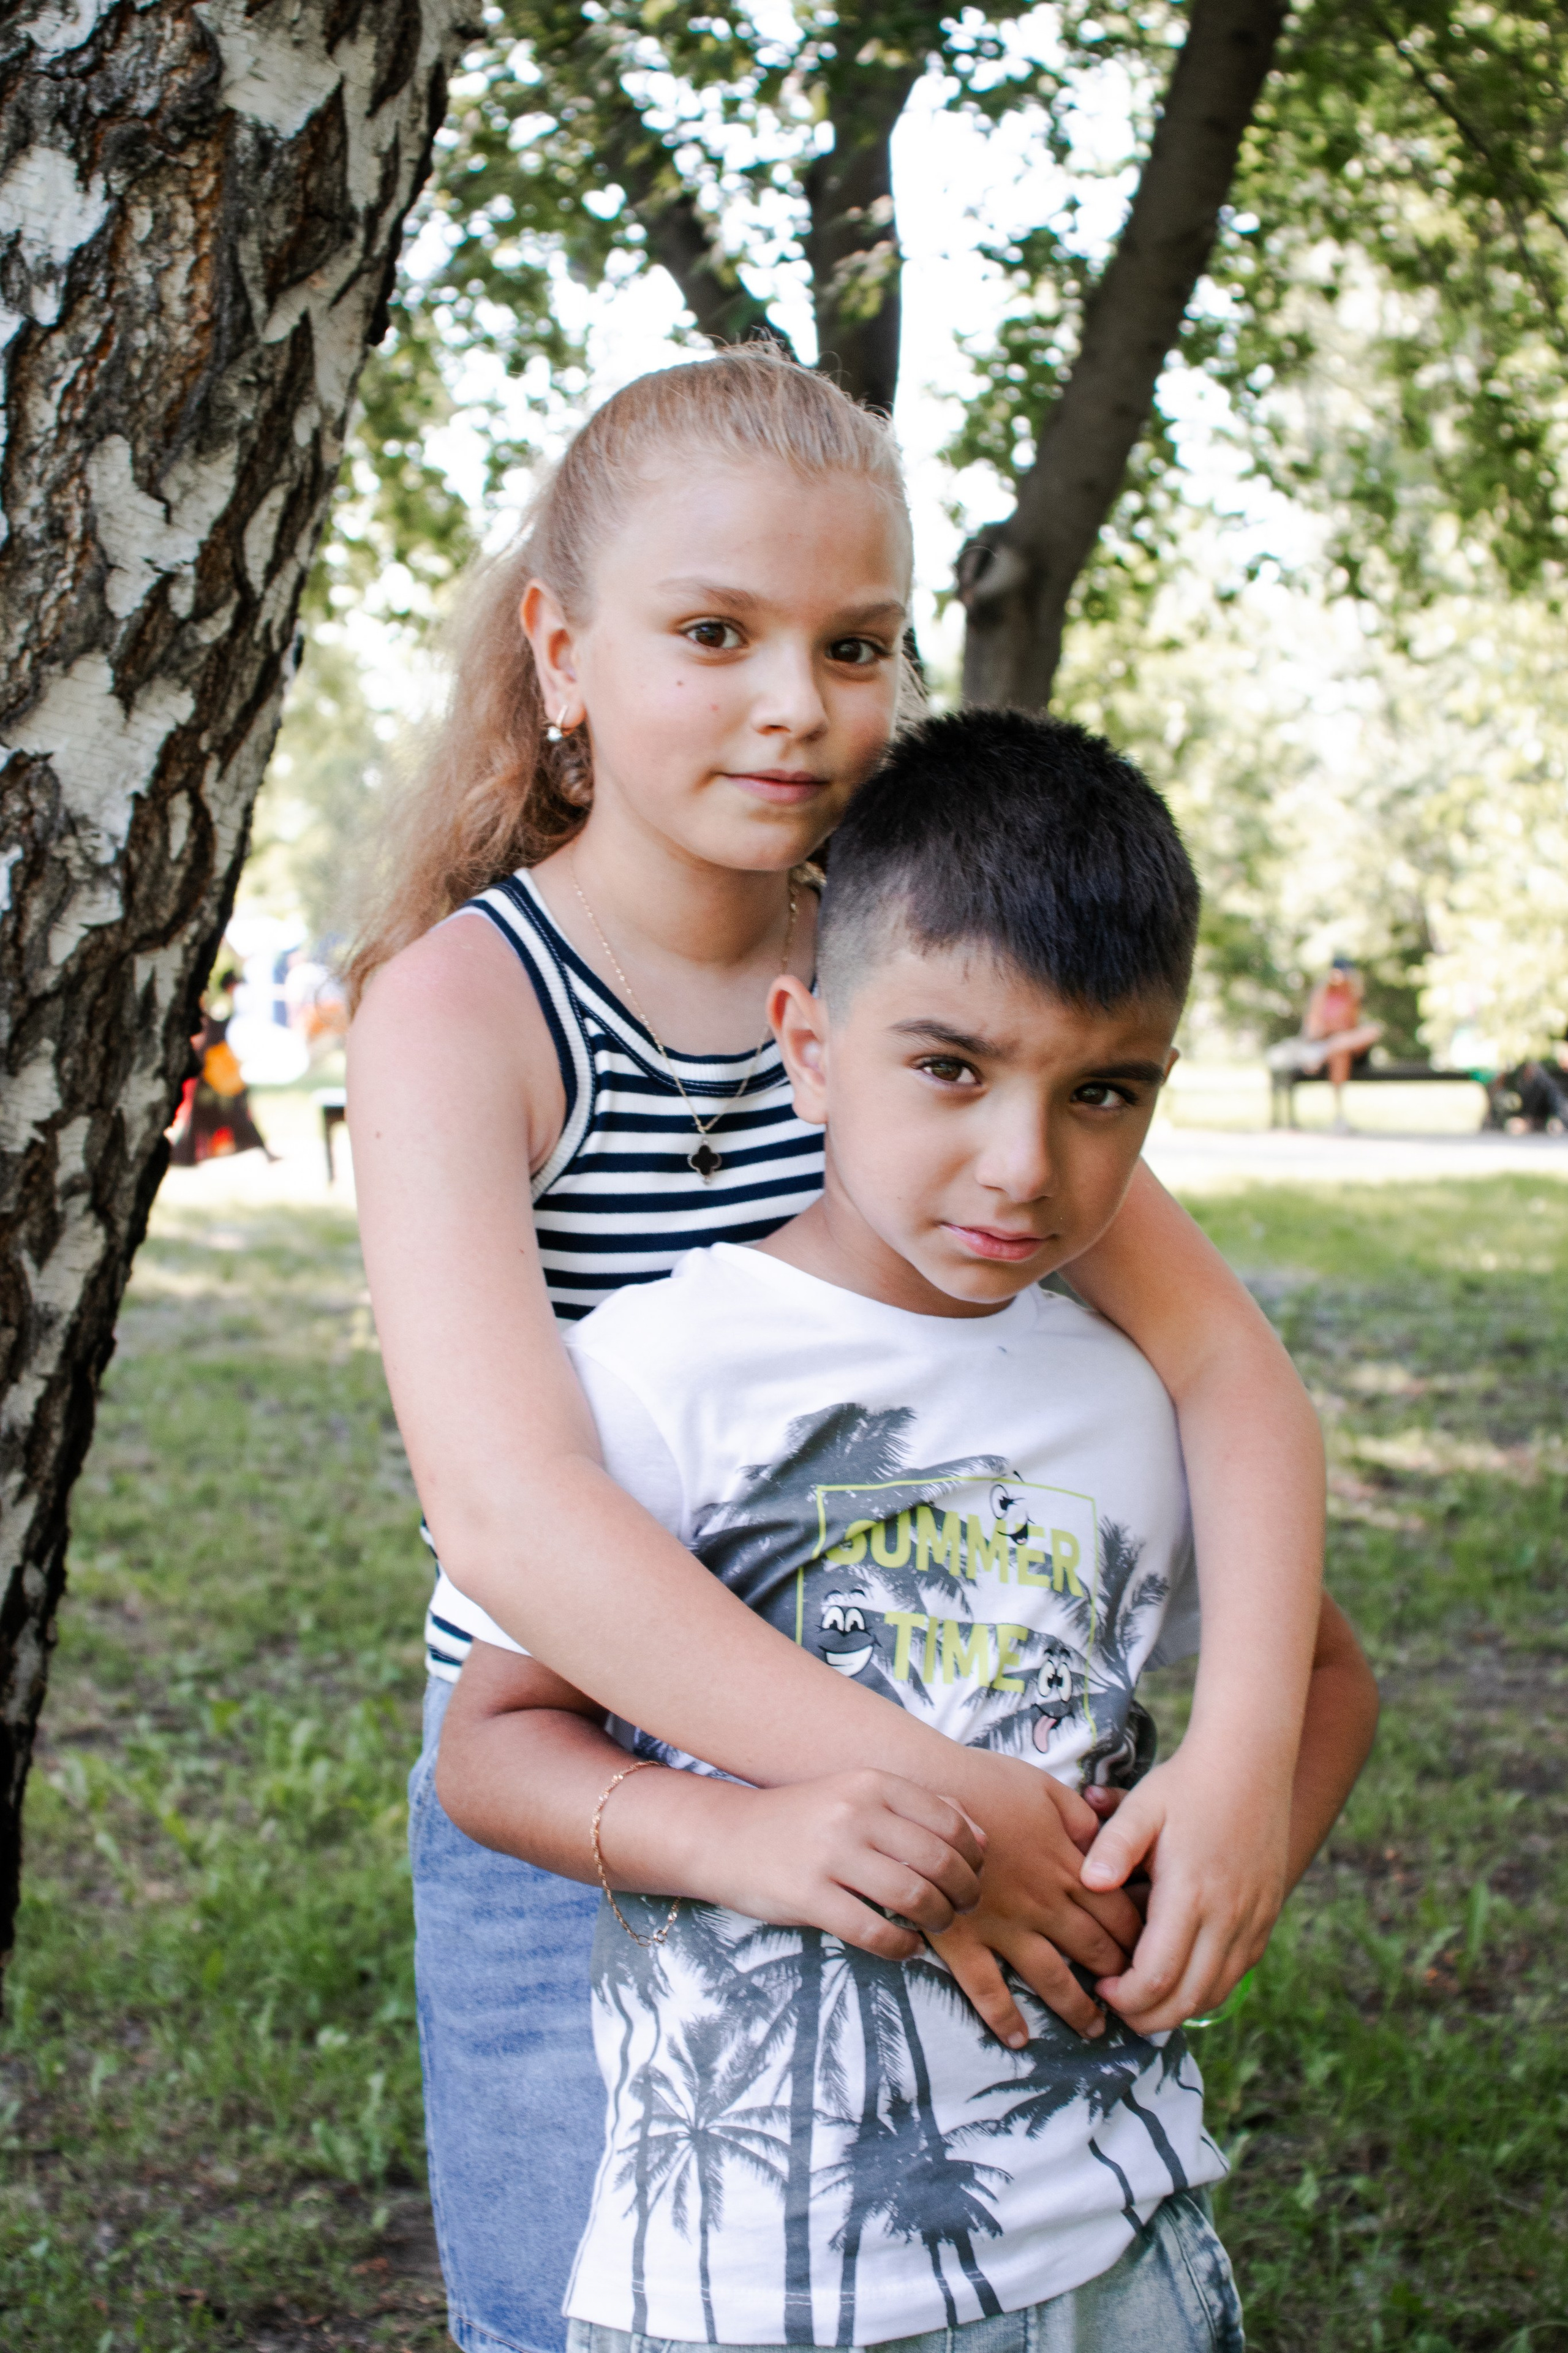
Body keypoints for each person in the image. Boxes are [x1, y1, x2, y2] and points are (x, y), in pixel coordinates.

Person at [347, 353, 1327, 2353]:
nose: (799, 703)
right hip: (588, 1783)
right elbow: (510, 1511)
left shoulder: (916, 998)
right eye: (717, 634)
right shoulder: (465, 1011)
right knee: (570, 2310)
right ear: (564, 655)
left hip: (925, 1714)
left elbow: (1231, 1377)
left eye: (857, 643)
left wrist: (1240, 1762)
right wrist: (926, 1790)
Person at [1267, 957, 1384, 1133]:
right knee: (1339, 1054)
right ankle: (1339, 1117)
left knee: (1370, 1032)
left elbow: (1356, 1024)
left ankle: (1324, 1052)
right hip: (1332, 1050)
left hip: (1350, 1049)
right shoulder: (1322, 994)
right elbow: (1312, 1032)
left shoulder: (1353, 993)